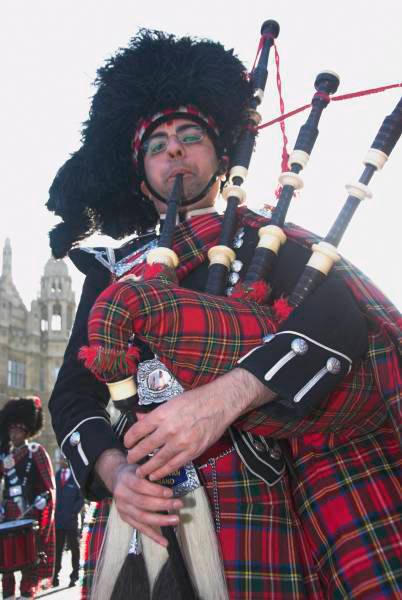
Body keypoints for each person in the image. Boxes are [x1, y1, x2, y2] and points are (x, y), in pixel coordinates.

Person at [47, 29, 401, 599]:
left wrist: (220, 401)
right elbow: (72, 395)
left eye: (190, 137)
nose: (175, 151)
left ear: (222, 156)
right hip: (137, 509)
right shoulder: (113, 271)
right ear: (142, 177)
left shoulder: (269, 241)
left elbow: (337, 323)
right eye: (157, 146)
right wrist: (116, 473)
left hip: (253, 498)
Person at [0, 397, 55, 600]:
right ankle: (7, 595)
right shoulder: (6, 457)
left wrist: (44, 500)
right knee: (6, 563)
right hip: (8, 515)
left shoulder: (37, 452)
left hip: (30, 514)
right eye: (10, 431)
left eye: (17, 431)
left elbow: (49, 486)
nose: (12, 435)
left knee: (29, 561)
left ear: (26, 431)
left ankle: (26, 594)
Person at [53, 452, 84, 588]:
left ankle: (75, 575)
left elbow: (82, 497)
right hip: (58, 521)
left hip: (72, 521)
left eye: (64, 458)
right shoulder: (55, 476)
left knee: (74, 549)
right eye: (60, 458)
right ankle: (55, 577)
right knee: (57, 550)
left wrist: (74, 511)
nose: (62, 461)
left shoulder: (76, 476)